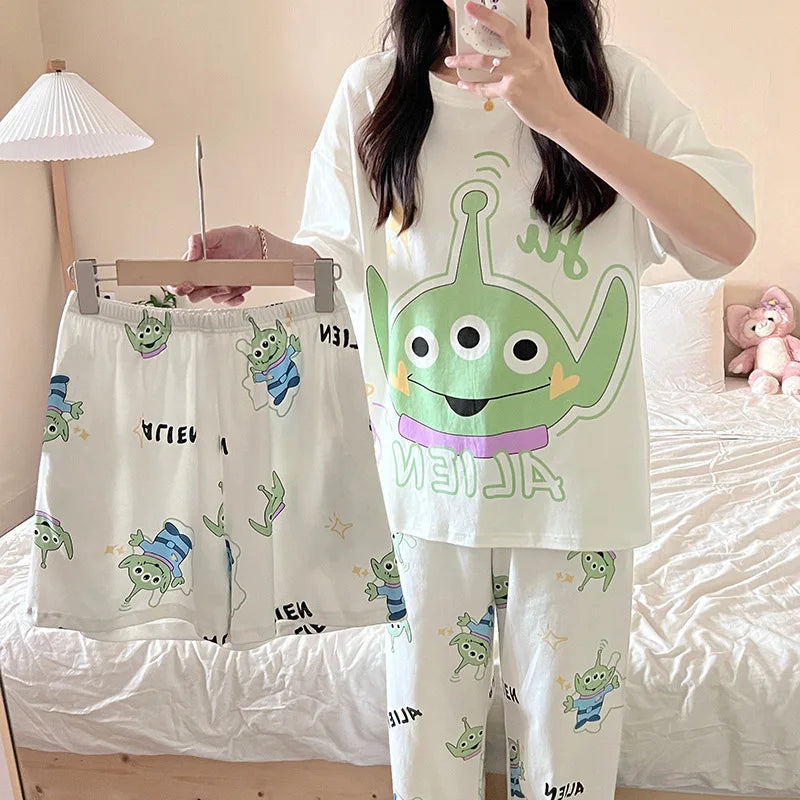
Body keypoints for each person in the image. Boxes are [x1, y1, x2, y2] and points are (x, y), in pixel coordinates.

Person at [176, 1, 756, 797]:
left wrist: (560, 115)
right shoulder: (376, 92)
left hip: (573, 506)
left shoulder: (614, 89)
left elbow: (725, 241)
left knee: (565, 770)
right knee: (429, 767)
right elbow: (345, 268)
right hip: (422, 500)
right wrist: (264, 255)